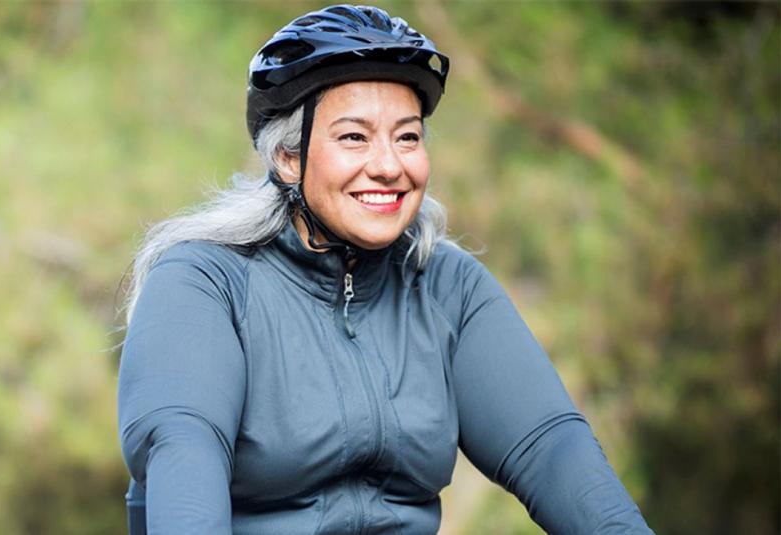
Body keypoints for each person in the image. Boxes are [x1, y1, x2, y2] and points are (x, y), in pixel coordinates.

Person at [117, 5, 653, 534]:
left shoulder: (447, 285)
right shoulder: (204, 283)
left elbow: (551, 449)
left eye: (408, 136)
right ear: (288, 156)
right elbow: (184, 463)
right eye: (354, 136)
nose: (390, 166)